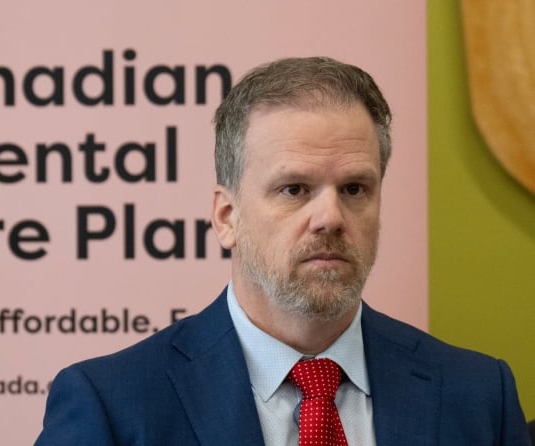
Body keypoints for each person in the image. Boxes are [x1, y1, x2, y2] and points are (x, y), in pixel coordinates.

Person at [35, 57, 530, 445]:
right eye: (294, 189)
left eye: (355, 189)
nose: (331, 217)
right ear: (227, 218)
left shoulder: (478, 394)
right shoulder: (113, 404)